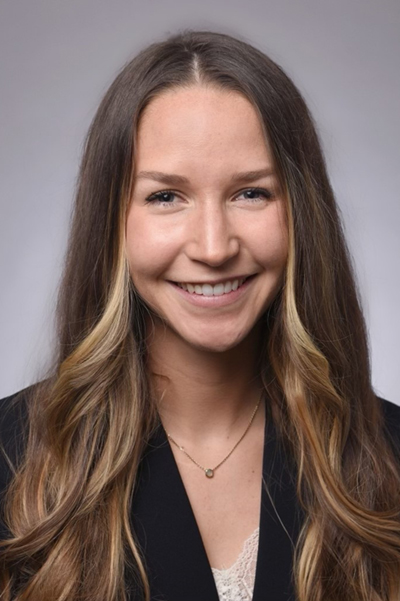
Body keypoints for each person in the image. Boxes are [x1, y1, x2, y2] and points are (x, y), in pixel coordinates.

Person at [1, 29, 400, 601]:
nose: (213, 247)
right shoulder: (11, 459)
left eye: (251, 193)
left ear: (301, 214)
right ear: (113, 223)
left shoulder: (390, 458)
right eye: (166, 197)